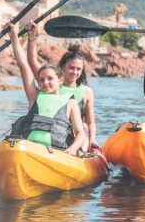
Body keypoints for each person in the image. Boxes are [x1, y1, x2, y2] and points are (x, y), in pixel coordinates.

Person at [5, 22, 88, 155]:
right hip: (29, 150)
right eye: (41, 79)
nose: (45, 82)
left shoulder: (71, 102)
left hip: (56, 153)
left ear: (60, 80)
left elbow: (80, 133)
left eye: (50, 79)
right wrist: (14, 35)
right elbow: (24, 66)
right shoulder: (34, 96)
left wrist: (72, 149)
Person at [26, 21, 97, 152]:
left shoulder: (87, 92)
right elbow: (31, 62)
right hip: (54, 132)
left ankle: (80, 154)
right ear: (62, 67)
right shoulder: (51, 84)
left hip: (76, 136)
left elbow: (90, 122)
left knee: (84, 126)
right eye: (71, 68)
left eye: (78, 69)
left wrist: (92, 140)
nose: (75, 72)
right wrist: (31, 38)